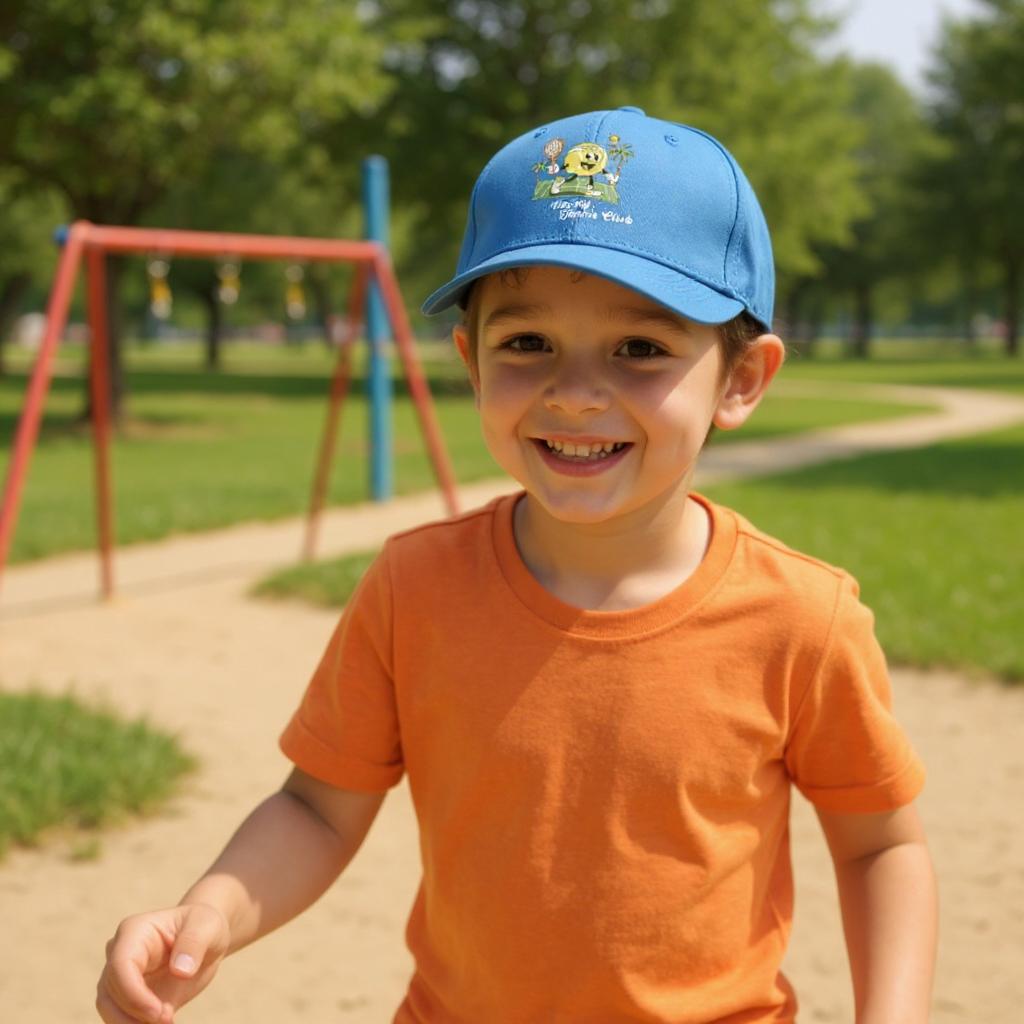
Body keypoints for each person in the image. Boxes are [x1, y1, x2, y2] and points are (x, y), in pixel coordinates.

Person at [97, 107, 938, 1024]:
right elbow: (315, 809)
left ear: (741, 379)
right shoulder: (413, 588)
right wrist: (206, 912)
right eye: (527, 343)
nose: (574, 392)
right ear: (471, 360)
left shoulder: (801, 620)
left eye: (641, 349)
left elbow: (879, 848)